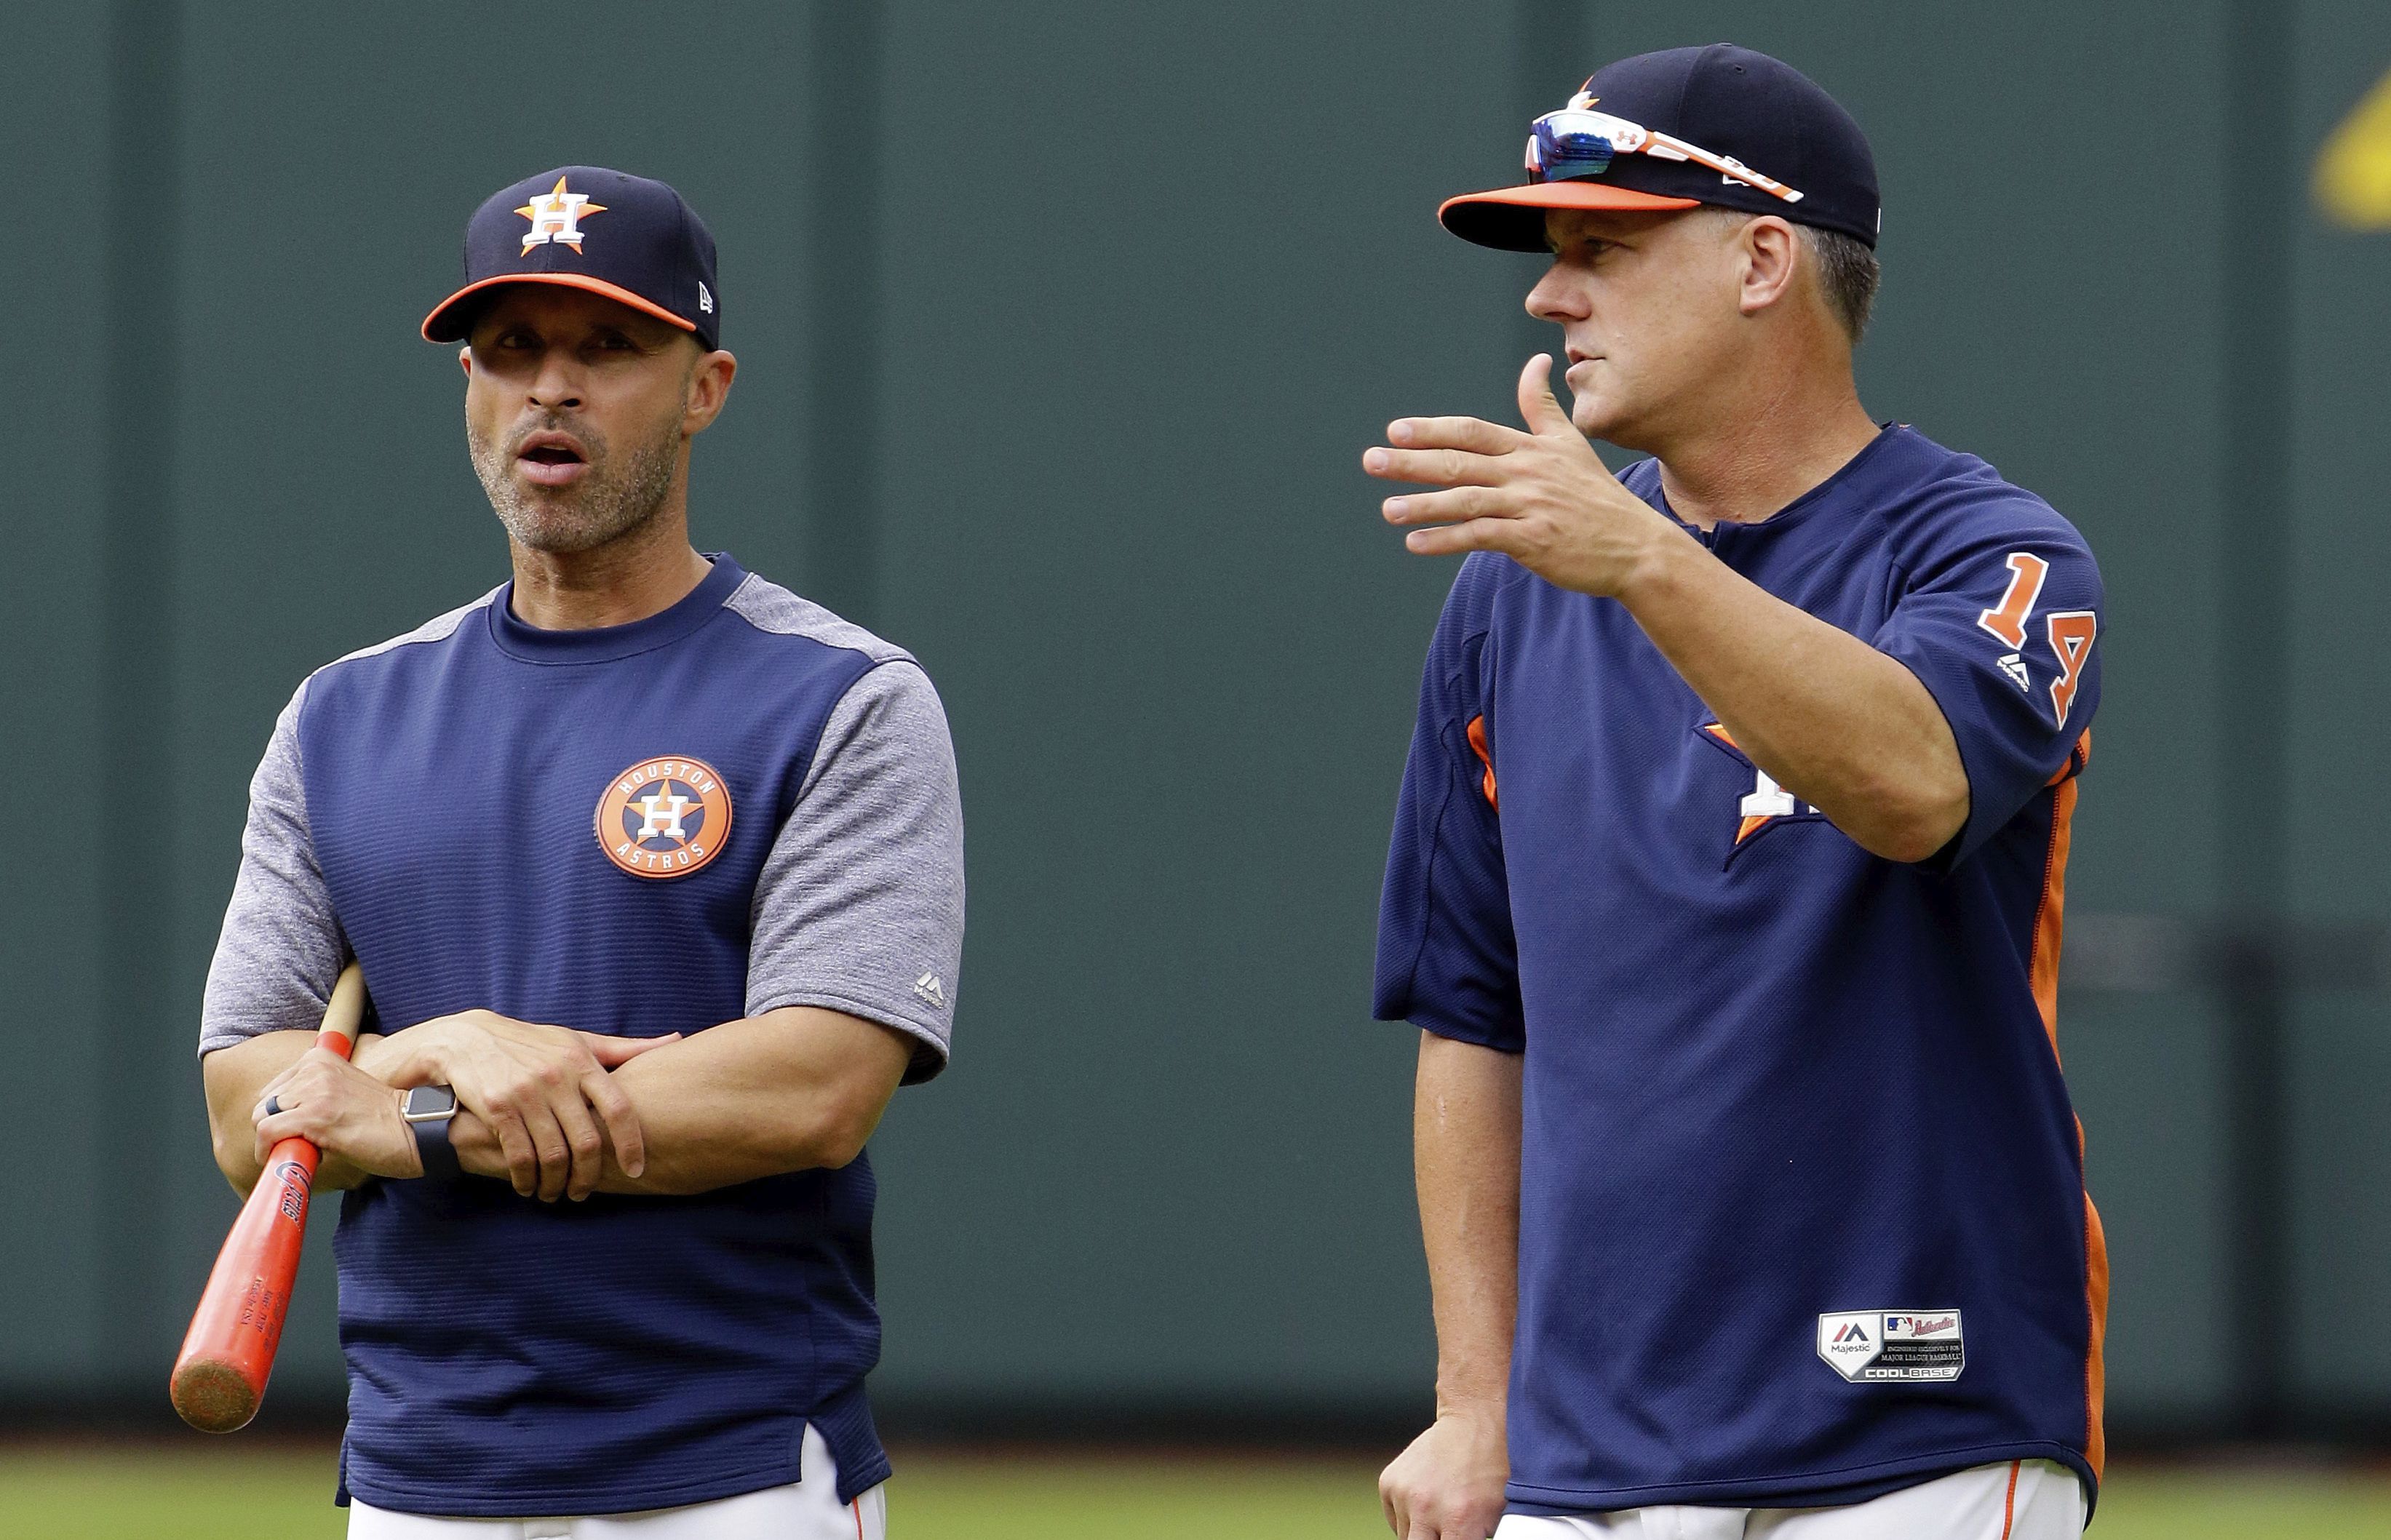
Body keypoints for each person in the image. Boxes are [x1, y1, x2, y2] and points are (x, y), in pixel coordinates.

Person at [1365, 47, 2104, 1540]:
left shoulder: (1986, 550)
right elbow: (1470, 1015)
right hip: (1589, 1443)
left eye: (1600, 249)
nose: (1546, 295)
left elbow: (1910, 784)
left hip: (1911, 1413)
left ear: (1763, 256)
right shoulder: (1514, 590)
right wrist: (1473, 1399)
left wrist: (1641, 560)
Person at [197, 166, 964, 1539]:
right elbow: (243, 1101)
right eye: (509, 351)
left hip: (726, 1466)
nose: (550, 388)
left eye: (608, 348)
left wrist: (407, 1119)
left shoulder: (840, 694)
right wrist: (449, 1044)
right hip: (416, 1475)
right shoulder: (344, 713)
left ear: (704, 387)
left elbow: (811, 1088)